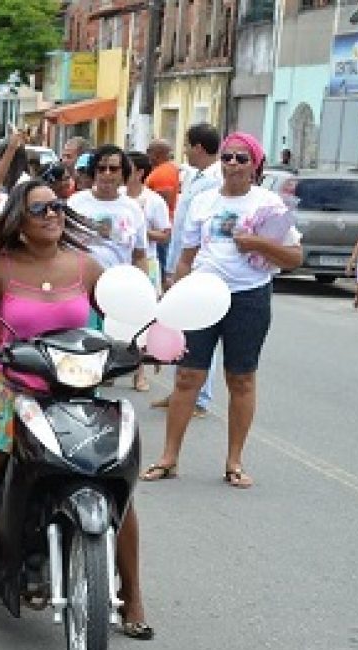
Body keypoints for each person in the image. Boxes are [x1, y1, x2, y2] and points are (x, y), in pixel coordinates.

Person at [0, 180, 153, 640]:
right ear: (20, 218)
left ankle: (133, 593)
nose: (53, 214)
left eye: (58, 206)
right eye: (41, 209)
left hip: (78, 395)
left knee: (116, 485)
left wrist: (146, 344)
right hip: (12, 391)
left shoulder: (87, 268)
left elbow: (127, 320)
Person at [141, 132, 303, 489]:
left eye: (241, 158)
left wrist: (258, 243)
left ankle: (234, 462)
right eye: (227, 157)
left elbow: (294, 257)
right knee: (187, 377)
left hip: (249, 297)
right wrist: (174, 302)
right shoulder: (203, 202)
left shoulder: (269, 204)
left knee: (241, 379)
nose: (232, 164)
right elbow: (186, 258)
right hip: (202, 296)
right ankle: (169, 458)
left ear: (255, 164)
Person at [151, 123, 224, 414]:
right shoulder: (194, 176)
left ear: (198, 147)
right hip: (181, 259)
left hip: (201, 265)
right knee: (182, 327)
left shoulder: (216, 180)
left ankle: (200, 396)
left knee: (203, 331)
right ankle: (182, 389)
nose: (183, 151)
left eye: (187, 145)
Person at [67, 145, 149, 286]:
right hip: (79, 287)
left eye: (113, 169)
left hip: (118, 288)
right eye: (101, 168)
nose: (107, 173)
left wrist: (143, 286)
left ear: (123, 173)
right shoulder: (75, 203)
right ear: (94, 172)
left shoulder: (133, 208)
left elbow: (139, 256)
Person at [125, 150, 172, 392]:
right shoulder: (119, 197)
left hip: (147, 263)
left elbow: (165, 234)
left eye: (125, 168)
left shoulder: (153, 201)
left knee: (142, 318)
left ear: (140, 173)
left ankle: (140, 373)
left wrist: (140, 230)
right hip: (119, 265)